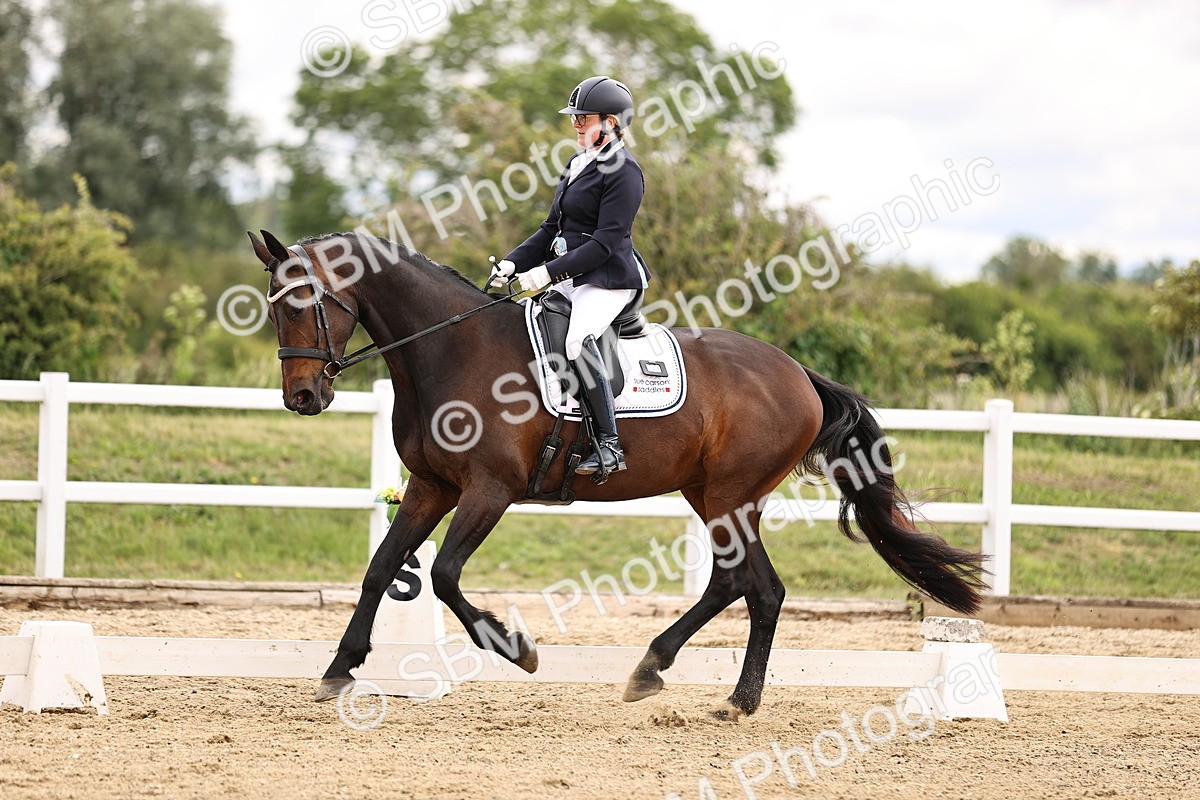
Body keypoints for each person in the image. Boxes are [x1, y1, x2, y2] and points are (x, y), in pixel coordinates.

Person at [490, 75, 650, 477]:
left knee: (576, 338)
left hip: (608, 280)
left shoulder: (625, 172)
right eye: (575, 117)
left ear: (612, 122)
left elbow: (605, 244)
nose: (576, 123)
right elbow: (550, 230)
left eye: (585, 117)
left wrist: (545, 272)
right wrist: (513, 263)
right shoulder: (577, 163)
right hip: (570, 276)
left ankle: (610, 445)